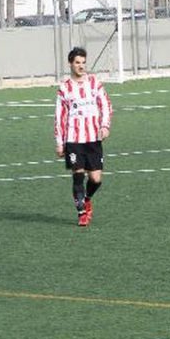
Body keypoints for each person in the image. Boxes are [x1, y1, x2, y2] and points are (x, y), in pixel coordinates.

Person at [54, 47, 113, 227]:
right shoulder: (64, 88)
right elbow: (59, 116)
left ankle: (87, 199)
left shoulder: (94, 83)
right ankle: (81, 213)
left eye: (83, 62)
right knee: (78, 176)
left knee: (96, 179)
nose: (81, 66)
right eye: (77, 63)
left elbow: (106, 105)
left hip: (93, 138)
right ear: (71, 64)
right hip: (73, 139)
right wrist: (59, 142)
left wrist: (105, 126)